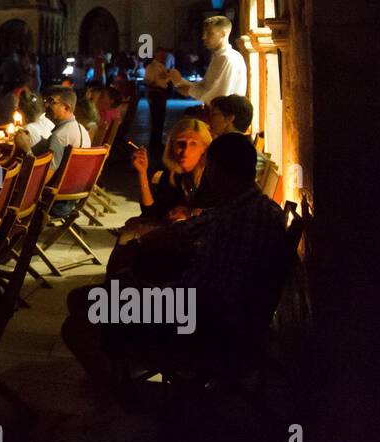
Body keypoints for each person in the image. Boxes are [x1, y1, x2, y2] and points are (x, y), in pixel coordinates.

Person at [61, 133, 290, 396]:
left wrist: (147, 290)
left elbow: (198, 279)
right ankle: (122, 371)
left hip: (198, 322)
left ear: (215, 168)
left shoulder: (233, 215)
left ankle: (126, 397)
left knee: (78, 321)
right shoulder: (264, 210)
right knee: (90, 298)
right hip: (218, 318)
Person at [129, 119, 212, 230]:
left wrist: (190, 214)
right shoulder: (172, 175)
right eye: (181, 144)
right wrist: (142, 173)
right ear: (171, 146)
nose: (185, 151)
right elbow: (151, 213)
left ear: (204, 148)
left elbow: (221, 213)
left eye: (193, 144)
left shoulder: (212, 176)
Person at [14, 85, 91, 175]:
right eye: (46, 101)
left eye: (52, 101)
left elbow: (43, 177)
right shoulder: (83, 130)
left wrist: (26, 149)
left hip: (55, 188)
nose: (46, 105)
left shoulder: (60, 136)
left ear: (66, 108)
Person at [170, 16, 247, 104]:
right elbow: (205, 85)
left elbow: (216, 95)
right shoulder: (218, 56)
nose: (204, 37)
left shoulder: (227, 58)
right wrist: (179, 81)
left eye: (209, 33)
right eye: (204, 33)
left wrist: (188, 90)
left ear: (223, 34)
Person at [143, 48, 173, 155]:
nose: (164, 57)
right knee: (156, 118)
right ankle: (154, 143)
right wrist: (155, 85)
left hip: (161, 93)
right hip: (156, 93)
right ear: (157, 55)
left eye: (165, 55)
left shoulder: (161, 66)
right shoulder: (152, 67)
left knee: (160, 119)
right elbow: (147, 81)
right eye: (162, 55)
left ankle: (157, 142)